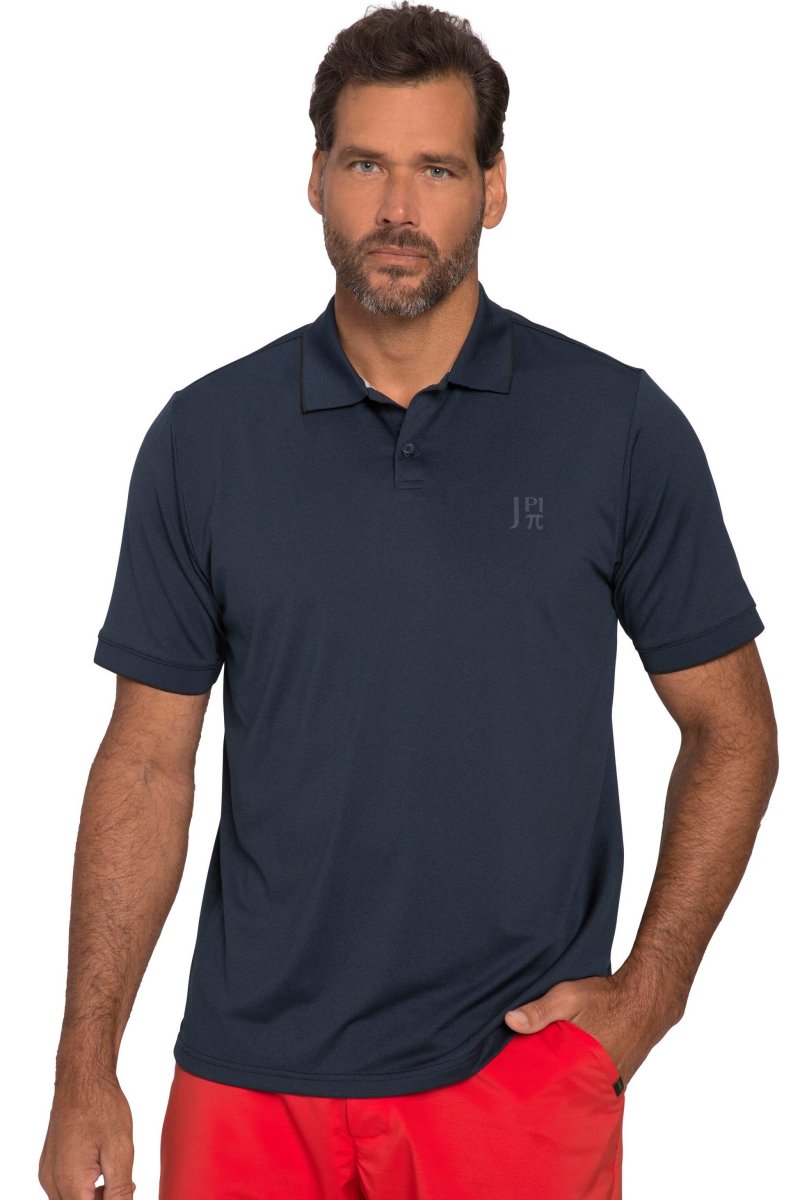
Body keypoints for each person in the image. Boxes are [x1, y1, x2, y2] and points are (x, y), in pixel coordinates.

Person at [39, 3, 779, 1198]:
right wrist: (85, 1067)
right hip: (246, 1084)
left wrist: (648, 997)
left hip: (513, 1076)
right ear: (314, 180)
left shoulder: (615, 429)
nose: (396, 209)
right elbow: (144, 764)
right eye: (363, 165)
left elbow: (731, 728)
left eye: (435, 169)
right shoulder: (204, 440)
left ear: (492, 187)